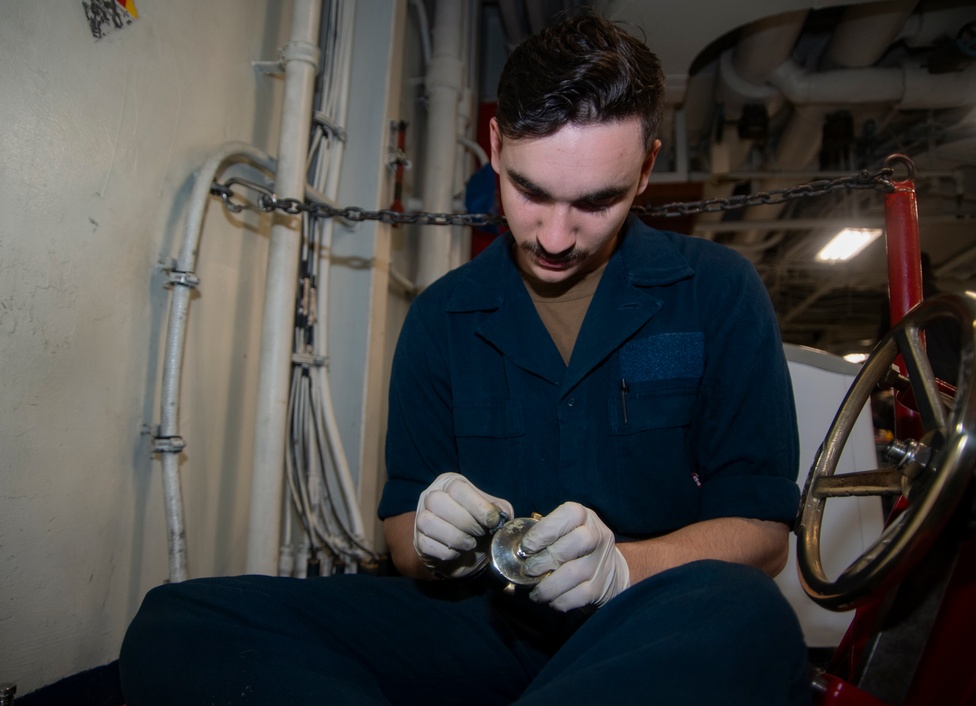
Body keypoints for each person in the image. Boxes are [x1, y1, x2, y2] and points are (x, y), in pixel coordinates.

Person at [119, 14, 811, 705]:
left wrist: (623, 571)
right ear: (494, 146)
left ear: (647, 168)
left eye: (597, 201)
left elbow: (760, 532)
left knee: (749, 616)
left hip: (650, 627)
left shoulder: (718, 291)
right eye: (531, 191)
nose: (557, 236)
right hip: (482, 625)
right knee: (186, 621)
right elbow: (401, 540)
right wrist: (431, 536)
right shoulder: (440, 318)